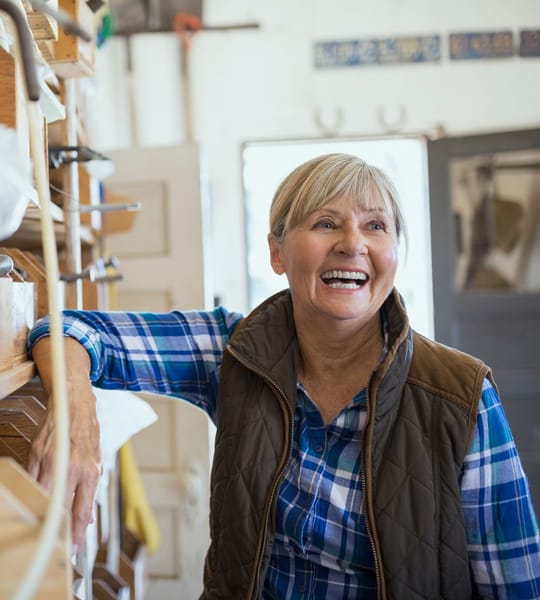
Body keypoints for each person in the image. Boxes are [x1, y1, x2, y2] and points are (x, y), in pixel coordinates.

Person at [28, 153, 539, 599]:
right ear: (277, 252)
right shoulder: (236, 352)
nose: (352, 243)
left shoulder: (461, 395)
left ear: (394, 255)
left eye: (376, 226)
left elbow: (517, 585)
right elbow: (68, 328)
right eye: (325, 223)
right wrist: (76, 411)